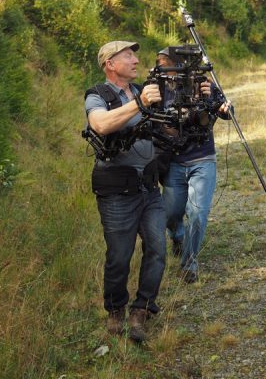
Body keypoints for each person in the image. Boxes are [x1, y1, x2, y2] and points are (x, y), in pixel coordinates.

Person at [84, 40, 167, 343]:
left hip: (148, 187)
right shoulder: (98, 95)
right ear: (110, 64)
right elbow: (101, 125)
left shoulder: (147, 89)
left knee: (158, 249)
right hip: (117, 190)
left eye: (135, 54)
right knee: (119, 256)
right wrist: (140, 103)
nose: (135, 59)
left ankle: (141, 310)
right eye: (128, 55)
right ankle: (116, 309)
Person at [156, 47, 230, 284]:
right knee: (170, 214)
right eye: (160, 65)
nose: (163, 70)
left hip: (202, 159)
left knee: (197, 213)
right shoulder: (157, 88)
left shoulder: (203, 83)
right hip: (174, 160)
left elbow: (227, 111)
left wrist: (216, 103)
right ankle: (177, 236)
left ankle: (189, 263)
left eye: (167, 65)